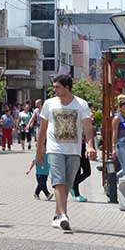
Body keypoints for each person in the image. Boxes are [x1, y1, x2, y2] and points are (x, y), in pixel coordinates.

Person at [36, 74, 95, 231]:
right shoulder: (49, 104)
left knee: (67, 184)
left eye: (57, 87)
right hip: (54, 149)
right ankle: (64, 215)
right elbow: (42, 129)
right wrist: (39, 150)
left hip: (74, 150)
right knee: (59, 182)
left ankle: (58, 215)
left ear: (67, 88)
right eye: (54, 87)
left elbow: (88, 127)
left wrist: (90, 146)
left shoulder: (81, 104)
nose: (54, 90)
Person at [70, 103, 95, 203]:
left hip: (84, 146)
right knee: (77, 171)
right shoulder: (77, 118)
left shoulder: (87, 117)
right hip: (76, 146)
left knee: (87, 171)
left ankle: (71, 185)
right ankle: (76, 193)